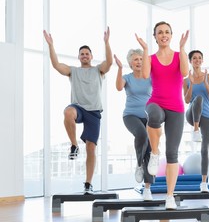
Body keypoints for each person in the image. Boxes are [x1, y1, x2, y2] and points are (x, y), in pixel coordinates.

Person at [43, 27, 113, 193]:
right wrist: (51, 45)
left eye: (87, 53)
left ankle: (88, 184)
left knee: (91, 148)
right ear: (79, 57)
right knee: (68, 112)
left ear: (91, 56)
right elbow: (56, 65)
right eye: (82, 54)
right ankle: (74, 145)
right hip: (78, 108)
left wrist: (106, 42)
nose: (84, 56)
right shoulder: (73, 71)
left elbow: (109, 63)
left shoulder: (98, 70)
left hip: (94, 112)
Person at [136, 21, 189, 209]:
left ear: (171, 35)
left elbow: (185, 72)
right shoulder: (150, 57)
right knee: (154, 116)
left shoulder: (178, 55)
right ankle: (155, 152)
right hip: (156, 102)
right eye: (160, 32)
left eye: (167, 32)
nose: (163, 35)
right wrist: (144, 50)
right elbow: (143, 75)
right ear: (155, 36)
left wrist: (182, 48)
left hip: (176, 107)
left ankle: (169, 196)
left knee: (173, 153)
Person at [114, 49, 153, 200]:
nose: (139, 62)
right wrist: (119, 68)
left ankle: (148, 189)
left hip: (148, 117)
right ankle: (138, 165)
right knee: (141, 134)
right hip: (130, 115)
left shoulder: (149, 78)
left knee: (149, 150)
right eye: (136, 60)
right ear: (130, 63)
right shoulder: (127, 78)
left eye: (141, 59)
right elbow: (118, 87)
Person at [183, 50, 209, 193]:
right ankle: (195, 130)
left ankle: (204, 183)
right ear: (190, 61)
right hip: (192, 115)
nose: (197, 60)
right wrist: (190, 84)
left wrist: (205, 83)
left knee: (204, 150)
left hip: (207, 115)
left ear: (202, 61)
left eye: (199, 58)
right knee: (198, 99)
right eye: (194, 58)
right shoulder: (185, 80)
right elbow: (187, 100)